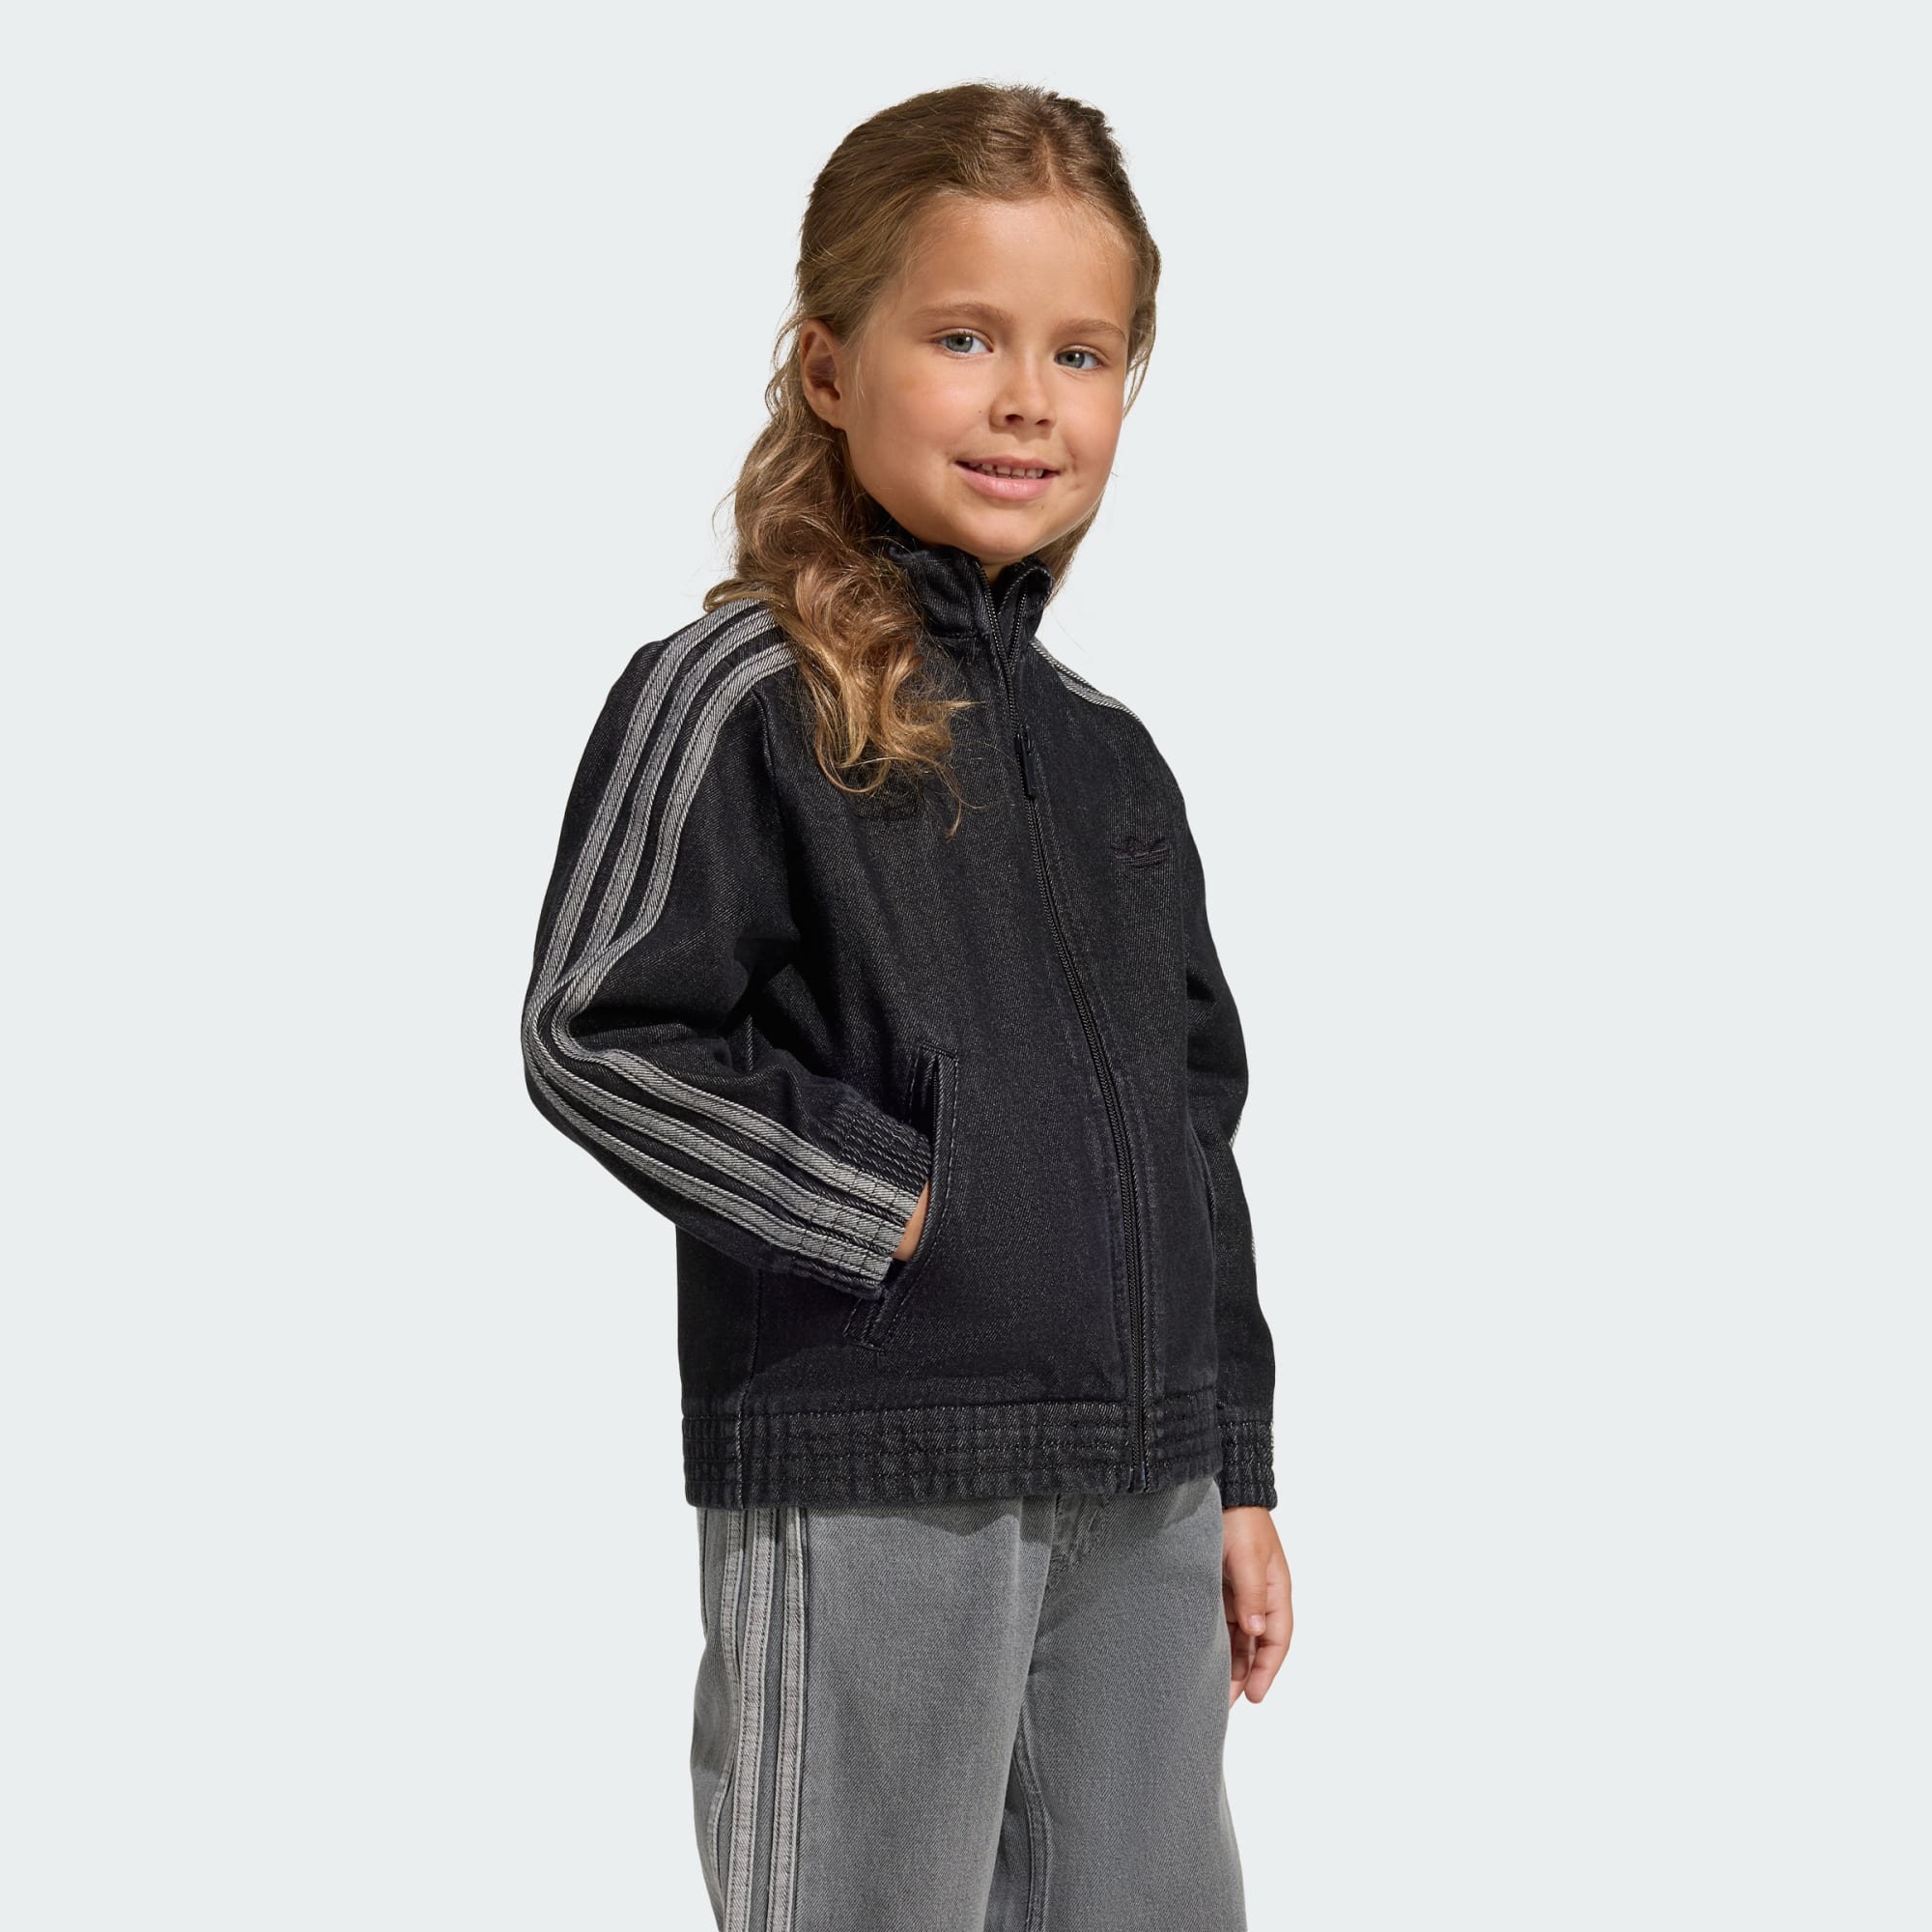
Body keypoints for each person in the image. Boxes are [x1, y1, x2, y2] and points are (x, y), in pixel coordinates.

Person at [519, 79, 1293, 1932]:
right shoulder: (739, 694)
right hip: (878, 1460)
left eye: (1081, 352)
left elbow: (1195, 1125)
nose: (1028, 397)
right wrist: (888, 1204)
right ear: (827, 365)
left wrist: (1241, 1467)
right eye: (964, 336)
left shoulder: (1111, 759)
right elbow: (597, 1028)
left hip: (1144, 1481)